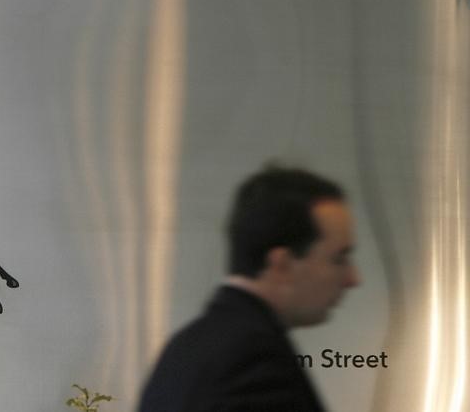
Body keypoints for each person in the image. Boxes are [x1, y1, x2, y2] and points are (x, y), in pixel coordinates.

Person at [138, 166, 359, 412]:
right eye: (339, 259)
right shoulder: (255, 361)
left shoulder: (184, 347)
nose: (353, 279)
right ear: (282, 264)